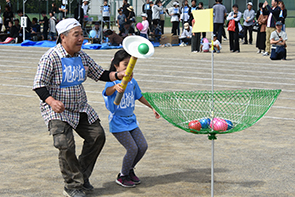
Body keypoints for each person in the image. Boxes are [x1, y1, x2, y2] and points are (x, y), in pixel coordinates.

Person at [32, 18, 127, 197]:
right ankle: (72, 186)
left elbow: (100, 73)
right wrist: (52, 101)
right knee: (65, 145)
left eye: (82, 34)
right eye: (77, 35)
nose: (81, 38)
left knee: (97, 136)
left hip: (80, 108)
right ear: (63, 37)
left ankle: (81, 177)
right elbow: (39, 85)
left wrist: (118, 74)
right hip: (57, 111)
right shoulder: (51, 57)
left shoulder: (82, 56)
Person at [102, 49, 160, 188]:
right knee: (132, 148)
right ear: (116, 66)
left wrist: (151, 107)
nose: (128, 68)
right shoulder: (112, 82)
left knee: (143, 146)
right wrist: (115, 87)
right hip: (118, 122)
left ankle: (129, 170)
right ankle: (122, 176)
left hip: (131, 121)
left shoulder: (132, 81)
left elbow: (139, 96)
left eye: (131, 65)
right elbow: (106, 91)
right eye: (125, 64)